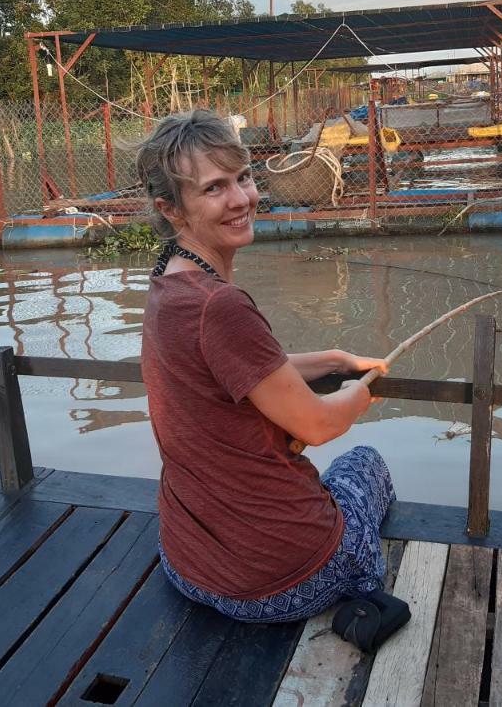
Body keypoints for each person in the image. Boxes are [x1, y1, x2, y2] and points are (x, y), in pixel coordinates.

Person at [137, 109, 397, 624]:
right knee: (366, 464)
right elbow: (319, 425)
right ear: (171, 209)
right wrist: (364, 391)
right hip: (273, 585)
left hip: (187, 563)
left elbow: (241, 368)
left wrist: (335, 360)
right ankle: (360, 576)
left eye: (244, 178)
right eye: (214, 189)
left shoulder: (169, 282)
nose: (242, 199)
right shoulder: (221, 306)